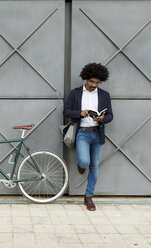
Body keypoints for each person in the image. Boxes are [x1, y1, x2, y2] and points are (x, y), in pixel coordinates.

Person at [64, 63, 113, 211]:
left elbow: (110, 115)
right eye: (92, 81)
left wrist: (102, 119)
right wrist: (79, 113)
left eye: (97, 82)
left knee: (94, 165)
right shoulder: (76, 93)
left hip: (97, 133)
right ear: (86, 79)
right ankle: (81, 164)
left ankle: (89, 197)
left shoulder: (104, 95)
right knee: (85, 161)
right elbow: (66, 111)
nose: (94, 85)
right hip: (82, 133)